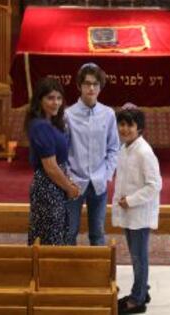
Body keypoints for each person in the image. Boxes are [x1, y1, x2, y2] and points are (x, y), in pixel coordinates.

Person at [112, 104, 162, 314]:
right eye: (121, 124)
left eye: (129, 125)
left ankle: (138, 299)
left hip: (139, 212)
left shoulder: (144, 152)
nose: (124, 129)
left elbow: (155, 185)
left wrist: (130, 201)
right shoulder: (125, 148)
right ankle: (143, 289)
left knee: (138, 256)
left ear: (139, 128)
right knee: (135, 254)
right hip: (129, 211)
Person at [66, 63, 120, 245]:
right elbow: (62, 151)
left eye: (95, 84)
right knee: (69, 232)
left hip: (98, 182)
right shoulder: (68, 115)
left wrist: (106, 174)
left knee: (97, 234)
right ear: (79, 86)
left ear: (100, 86)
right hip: (74, 183)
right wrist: (68, 178)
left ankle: (98, 274)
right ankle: (67, 271)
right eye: (87, 84)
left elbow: (114, 148)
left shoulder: (108, 114)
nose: (91, 88)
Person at [26, 77, 80, 246]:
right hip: (48, 188)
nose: (55, 103)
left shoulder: (52, 122)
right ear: (39, 100)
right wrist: (69, 188)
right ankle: (46, 272)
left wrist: (67, 182)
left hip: (56, 185)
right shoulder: (40, 126)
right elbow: (50, 167)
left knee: (58, 234)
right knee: (50, 238)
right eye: (50, 98)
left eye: (58, 98)